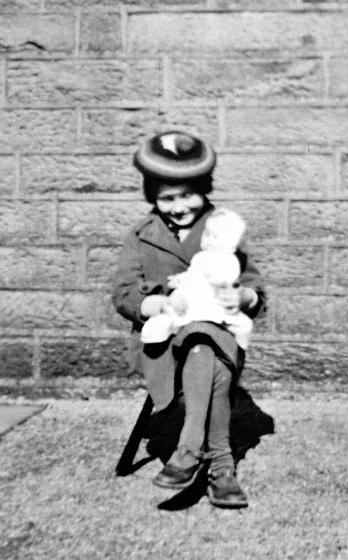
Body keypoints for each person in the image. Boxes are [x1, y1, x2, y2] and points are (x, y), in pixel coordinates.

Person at [112, 131, 265, 509]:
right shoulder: (141, 235)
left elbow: (253, 285)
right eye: (167, 197)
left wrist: (242, 296)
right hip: (162, 342)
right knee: (207, 358)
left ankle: (190, 449)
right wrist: (158, 306)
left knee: (203, 343)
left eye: (188, 195)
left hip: (216, 331)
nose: (179, 206)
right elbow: (123, 293)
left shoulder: (223, 229)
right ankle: (221, 467)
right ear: (152, 197)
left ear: (205, 190)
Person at [140, 208, 254, 350]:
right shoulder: (201, 256)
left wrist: (214, 276)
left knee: (241, 323)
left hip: (211, 296)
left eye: (216, 237)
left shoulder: (229, 260)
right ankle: (159, 332)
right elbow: (193, 273)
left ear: (232, 241)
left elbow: (226, 279)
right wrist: (180, 279)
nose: (209, 240)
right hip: (192, 292)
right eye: (207, 234)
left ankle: (238, 347)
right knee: (175, 310)